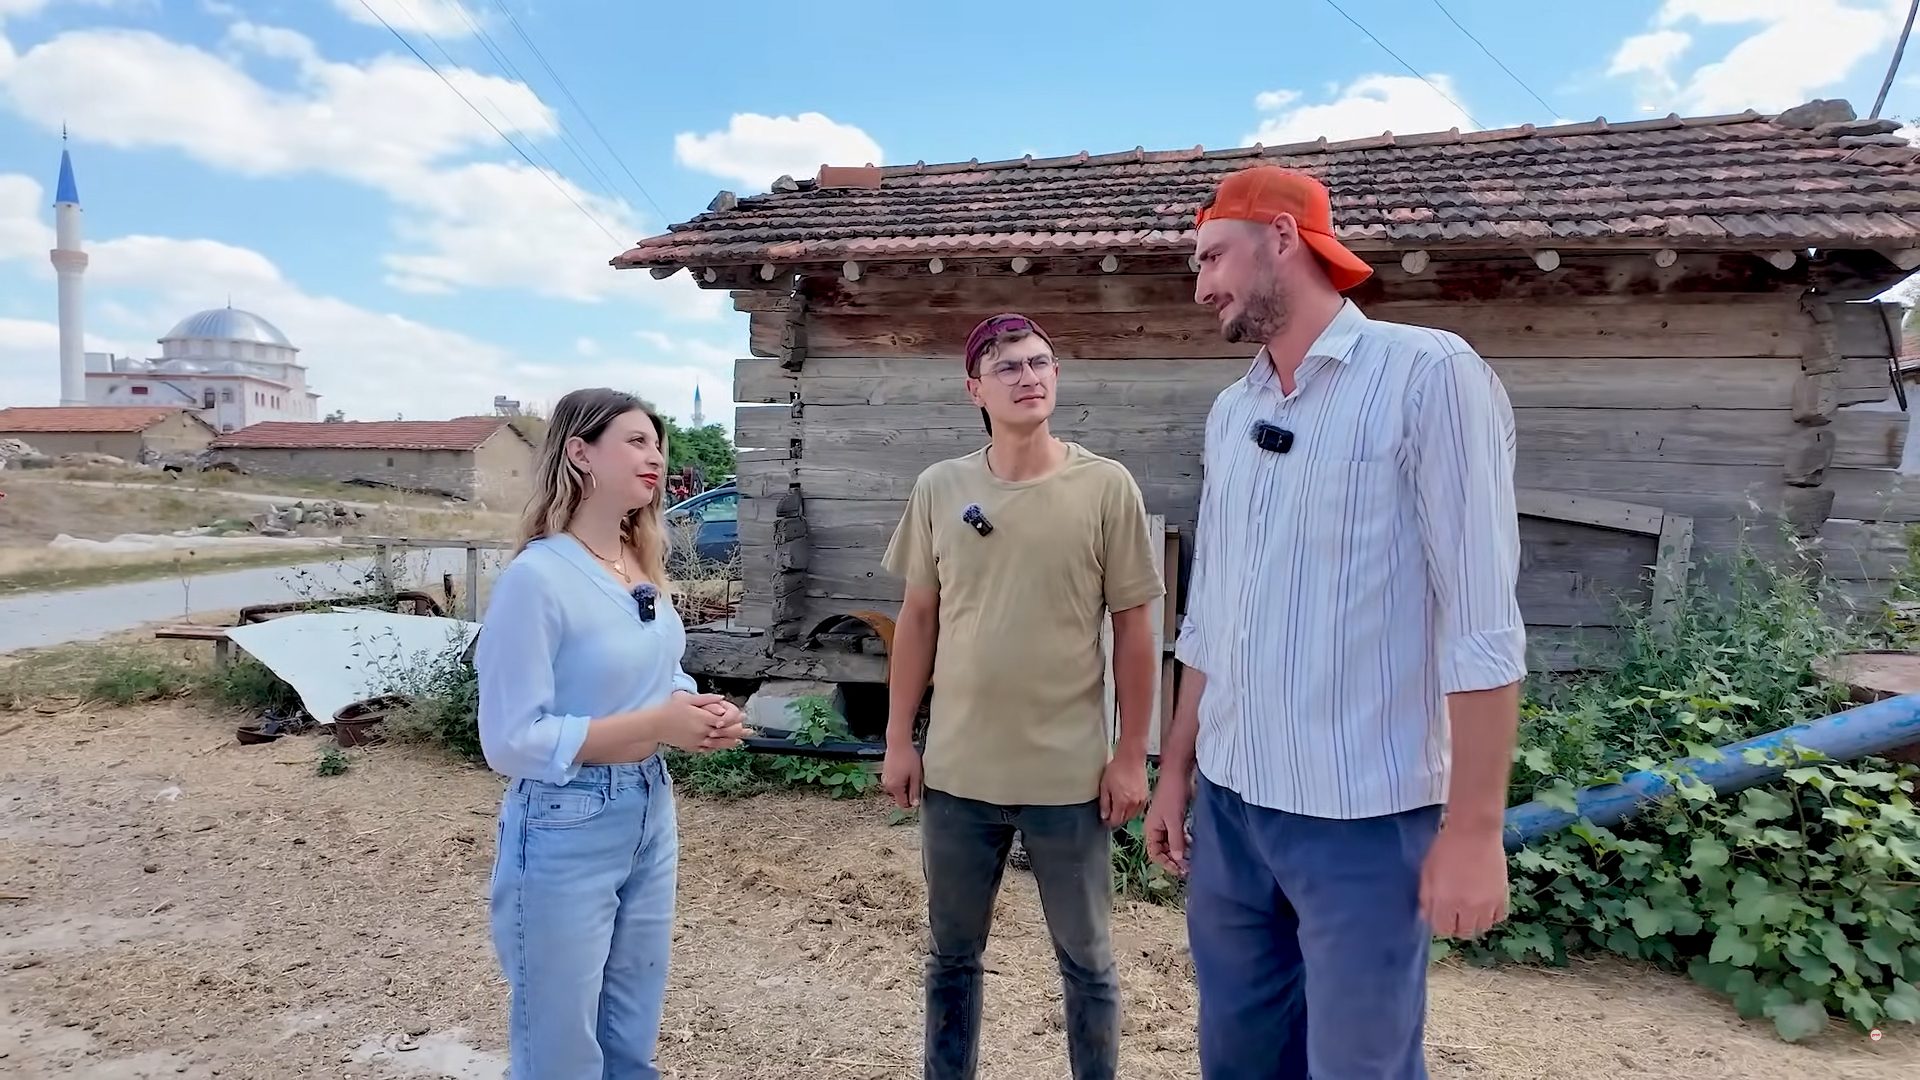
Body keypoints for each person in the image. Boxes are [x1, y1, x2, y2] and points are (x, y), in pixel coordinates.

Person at [1144, 165, 1527, 1078]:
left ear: (1282, 237)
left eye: (1211, 257)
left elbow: (1482, 620)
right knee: (1238, 1059)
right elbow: (1214, 616)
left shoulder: (1427, 374)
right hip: (1232, 809)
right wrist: (1176, 770)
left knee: (1360, 1066)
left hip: (1362, 819)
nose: (1201, 286)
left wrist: (1473, 830)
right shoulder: (1233, 412)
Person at [880, 313, 1165, 1080]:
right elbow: (917, 618)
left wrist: (1130, 753)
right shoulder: (941, 487)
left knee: (1089, 963)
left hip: (1068, 779)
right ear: (974, 387)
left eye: (1041, 362)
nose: (1029, 376)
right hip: (958, 774)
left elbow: (1137, 627)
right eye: (1007, 367)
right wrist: (900, 738)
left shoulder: (1106, 487)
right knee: (951, 959)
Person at [473, 387, 750, 1079]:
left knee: (629, 1028)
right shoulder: (536, 580)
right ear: (579, 453)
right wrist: (655, 722)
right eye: (635, 441)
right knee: (559, 1045)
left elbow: (661, 675)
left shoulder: (638, 565)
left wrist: (695, 709)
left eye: (658, 443)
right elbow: (508, 740)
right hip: (564, 821)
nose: (655, 456)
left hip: (648, 806)